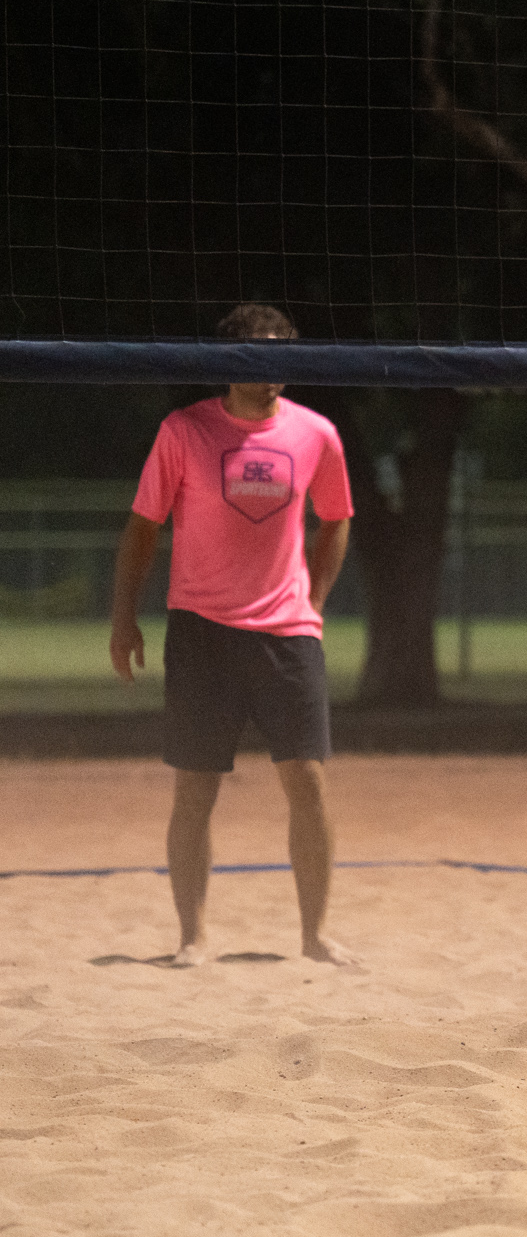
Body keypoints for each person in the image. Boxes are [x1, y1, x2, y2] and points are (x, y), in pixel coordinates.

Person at [108, 303, 359, 968]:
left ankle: (314, 936)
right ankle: (192, 937)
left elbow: (337, 517)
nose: (274, 367)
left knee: (308, 782)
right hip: (202, 630)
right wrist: (124, 617)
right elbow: (142, 527)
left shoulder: (317, 434)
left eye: (285, 353)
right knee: (195, 788)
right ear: (230, 361)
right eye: (260, 353)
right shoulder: (184, 430)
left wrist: (315, 597)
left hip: (287, 632)